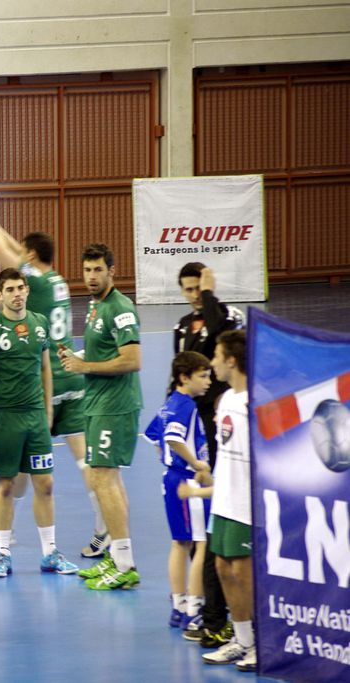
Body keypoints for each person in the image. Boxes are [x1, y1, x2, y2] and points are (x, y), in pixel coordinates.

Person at [0, 190, 108, 558]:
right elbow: (17, 250)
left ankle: (7, 529)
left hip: (45, 381)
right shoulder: (58, 279)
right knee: (80, 460)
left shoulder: (32, 283)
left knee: (20, 457)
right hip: (73, 377)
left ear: (31, 258)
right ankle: (102, 526)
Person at [0, 268, 79, 578]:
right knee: (6, 485)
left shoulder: (40, 324)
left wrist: (47, 409)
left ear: (27, 291)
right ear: (1, 294)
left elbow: (46, 368)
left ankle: (50, 553)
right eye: (10, 289)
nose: (17, 293)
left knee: (45, 483)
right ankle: (3, 554)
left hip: (35, 416)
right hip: (4, 417)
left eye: (21, 288)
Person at [59, 243, 143, 590]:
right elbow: (100, 350)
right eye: (87, 270)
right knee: (104, 480)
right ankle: (119, 556)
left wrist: (85, 366)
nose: (91, 277)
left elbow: (132, 359)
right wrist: (73, 356)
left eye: (98, 270)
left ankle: (124, 564)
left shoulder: (121, 308)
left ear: (112, 271)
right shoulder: (95, 306)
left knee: (104, 479)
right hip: (96, 404)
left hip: (115, 405)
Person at [174, 261, 244, 647]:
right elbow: (179, 375)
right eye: (187, 290)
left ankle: (223, 616)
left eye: (199, 288)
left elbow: (222, 334)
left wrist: (212, 295)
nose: (194, 296)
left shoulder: (226, 318)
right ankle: (211, 610)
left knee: (220, 533)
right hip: (196, 436)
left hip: (225, 437)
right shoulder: (182, 326)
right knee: (203, 531)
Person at [143, 351, 213, 629]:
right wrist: (196, 462)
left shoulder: (168, 403)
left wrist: (169, 460)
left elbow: (154, 436)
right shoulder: (185, 405)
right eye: (203, 376)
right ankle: (195, 608)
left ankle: (178, 603)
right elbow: (171, 438)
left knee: (179, 543)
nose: (208, 381)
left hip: (170, 479)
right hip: (188, 480)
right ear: (185, 377)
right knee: (202, 544)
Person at [199, 330, 256, 672]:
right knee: (222, 567)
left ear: (232, 360)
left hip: (247, 503)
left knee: (244, 572)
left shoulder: (256, 402)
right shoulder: (227, 402)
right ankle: (242, 640)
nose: (213, 363)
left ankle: (261, 643)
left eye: (217, 356)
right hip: (223, 499)